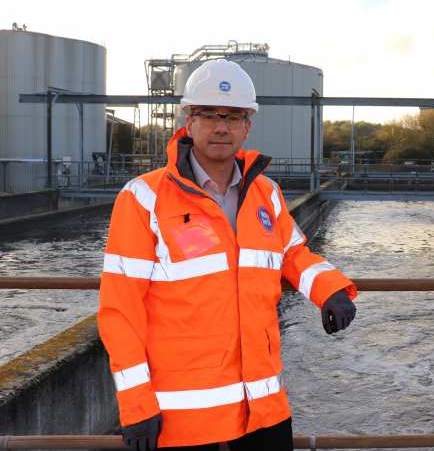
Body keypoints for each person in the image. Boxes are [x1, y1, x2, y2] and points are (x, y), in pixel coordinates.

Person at [99, 59, 357, 451]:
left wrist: (331, 288)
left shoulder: (265, 193)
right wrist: (136, 405)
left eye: (234, 116)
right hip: (184, 417)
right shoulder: (144, 199)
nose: (222, 126)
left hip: (263, 405)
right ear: (188, 120)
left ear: (247, 126)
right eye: (209, 114)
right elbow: (121, 310)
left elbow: (292, 253)